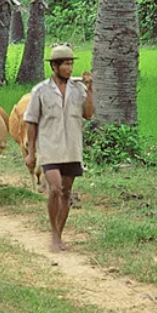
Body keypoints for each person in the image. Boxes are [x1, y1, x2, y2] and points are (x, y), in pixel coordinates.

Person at [23, 43, 94, 252]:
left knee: (66, 192)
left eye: (71, 64)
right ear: (54, 66)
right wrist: (31, 152)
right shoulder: (40, 91)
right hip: (50, 148)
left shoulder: (78, 89)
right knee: (54, 188)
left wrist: (90, 89)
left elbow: (88, 114)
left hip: (72, 148)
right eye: (65, 64)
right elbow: (31, 121)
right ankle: (53, 235)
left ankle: (59, 235)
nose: (69, 69)